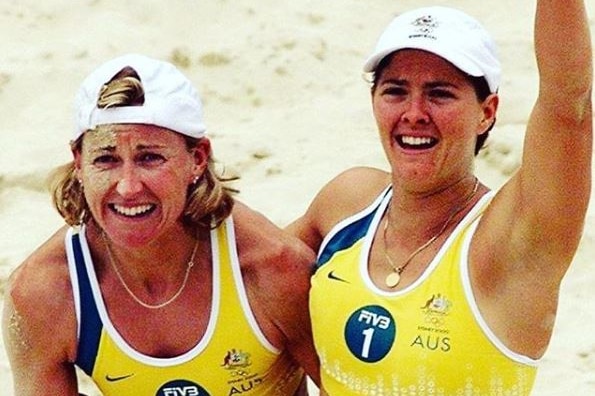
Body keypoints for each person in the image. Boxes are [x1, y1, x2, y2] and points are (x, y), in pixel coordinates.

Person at [287, 1, 592, 395]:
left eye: (440, 94)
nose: (414, 112)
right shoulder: (348, 203)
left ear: (487, 112)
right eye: (395, 91)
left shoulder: (507, 242)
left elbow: (570, 104)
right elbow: (250, 272)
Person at [2, 53, 320, 395]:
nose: (128, 187)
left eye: (149, 158)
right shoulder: (45, 292)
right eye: (106, 159)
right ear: (79, 163)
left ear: (196, 159)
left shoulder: (273, 267)